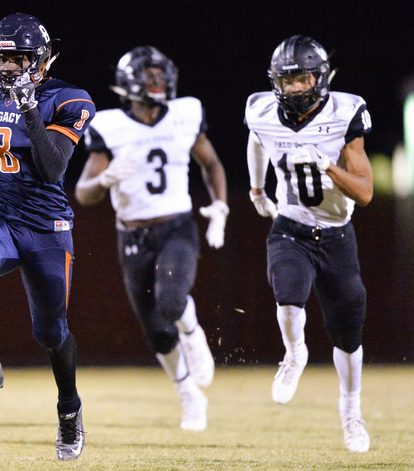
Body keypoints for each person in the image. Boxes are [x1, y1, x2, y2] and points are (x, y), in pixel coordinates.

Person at [0, 13, 95, 461]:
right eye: (2, 58)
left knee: (51, 333)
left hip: (46, 226)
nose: (8, 68)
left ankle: (69, 410)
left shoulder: (69, 100)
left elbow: (51, 168)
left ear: (41, 61)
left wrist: (29, 108)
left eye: (19, 58)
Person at [75, 46, 228, 431]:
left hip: (176, 226)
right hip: (132, 235)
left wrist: (220, 207)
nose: (157, 83)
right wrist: (105, 179)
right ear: (129, 83)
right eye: (149, 76)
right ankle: (189, 394)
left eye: (161, 76)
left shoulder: (185, 114)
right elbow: (83, 193)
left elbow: (210, 162)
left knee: (172, 300)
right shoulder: (109, 125)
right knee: (157, 333)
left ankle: (193, 333)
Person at [244, 35, 373, 452]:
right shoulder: (261, 109)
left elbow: (366, 192)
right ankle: (295, 353)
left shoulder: (346, 113)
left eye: (303, 79)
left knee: (347, 334)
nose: (296, 88)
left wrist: (327, 165)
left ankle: (351, 411)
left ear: (321, 78)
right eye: (288, 81)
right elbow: (256, 139)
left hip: (337, 235)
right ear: (275, 82)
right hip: (291, 225)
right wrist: (257, 190)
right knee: (288, 294)